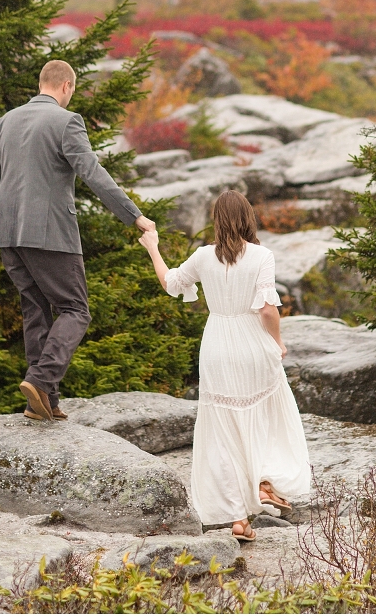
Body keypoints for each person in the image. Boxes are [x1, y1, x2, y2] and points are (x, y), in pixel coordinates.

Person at [0, 59, 156, 423]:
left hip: (7, 234)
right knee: (76, 309)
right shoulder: (67, 121)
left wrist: (0, 220)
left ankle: (43, 402)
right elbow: (92, 172)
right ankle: (41, 380)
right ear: (66, 86)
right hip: (50, 234)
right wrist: (134, 215)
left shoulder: (5, 121)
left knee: (35, 309)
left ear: (41, 83)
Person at [138, 189, 311, 542]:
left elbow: (171, 283)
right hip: (252, 343)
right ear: (248, 218)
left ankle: (238, 519)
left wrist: (153, 247)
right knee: (268, 418)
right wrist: (278, 342)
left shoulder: (203, 256)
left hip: (216, 344)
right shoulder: (262, 255)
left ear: (217, 220)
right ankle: (264, 483)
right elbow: (267, 309)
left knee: (222, 433)